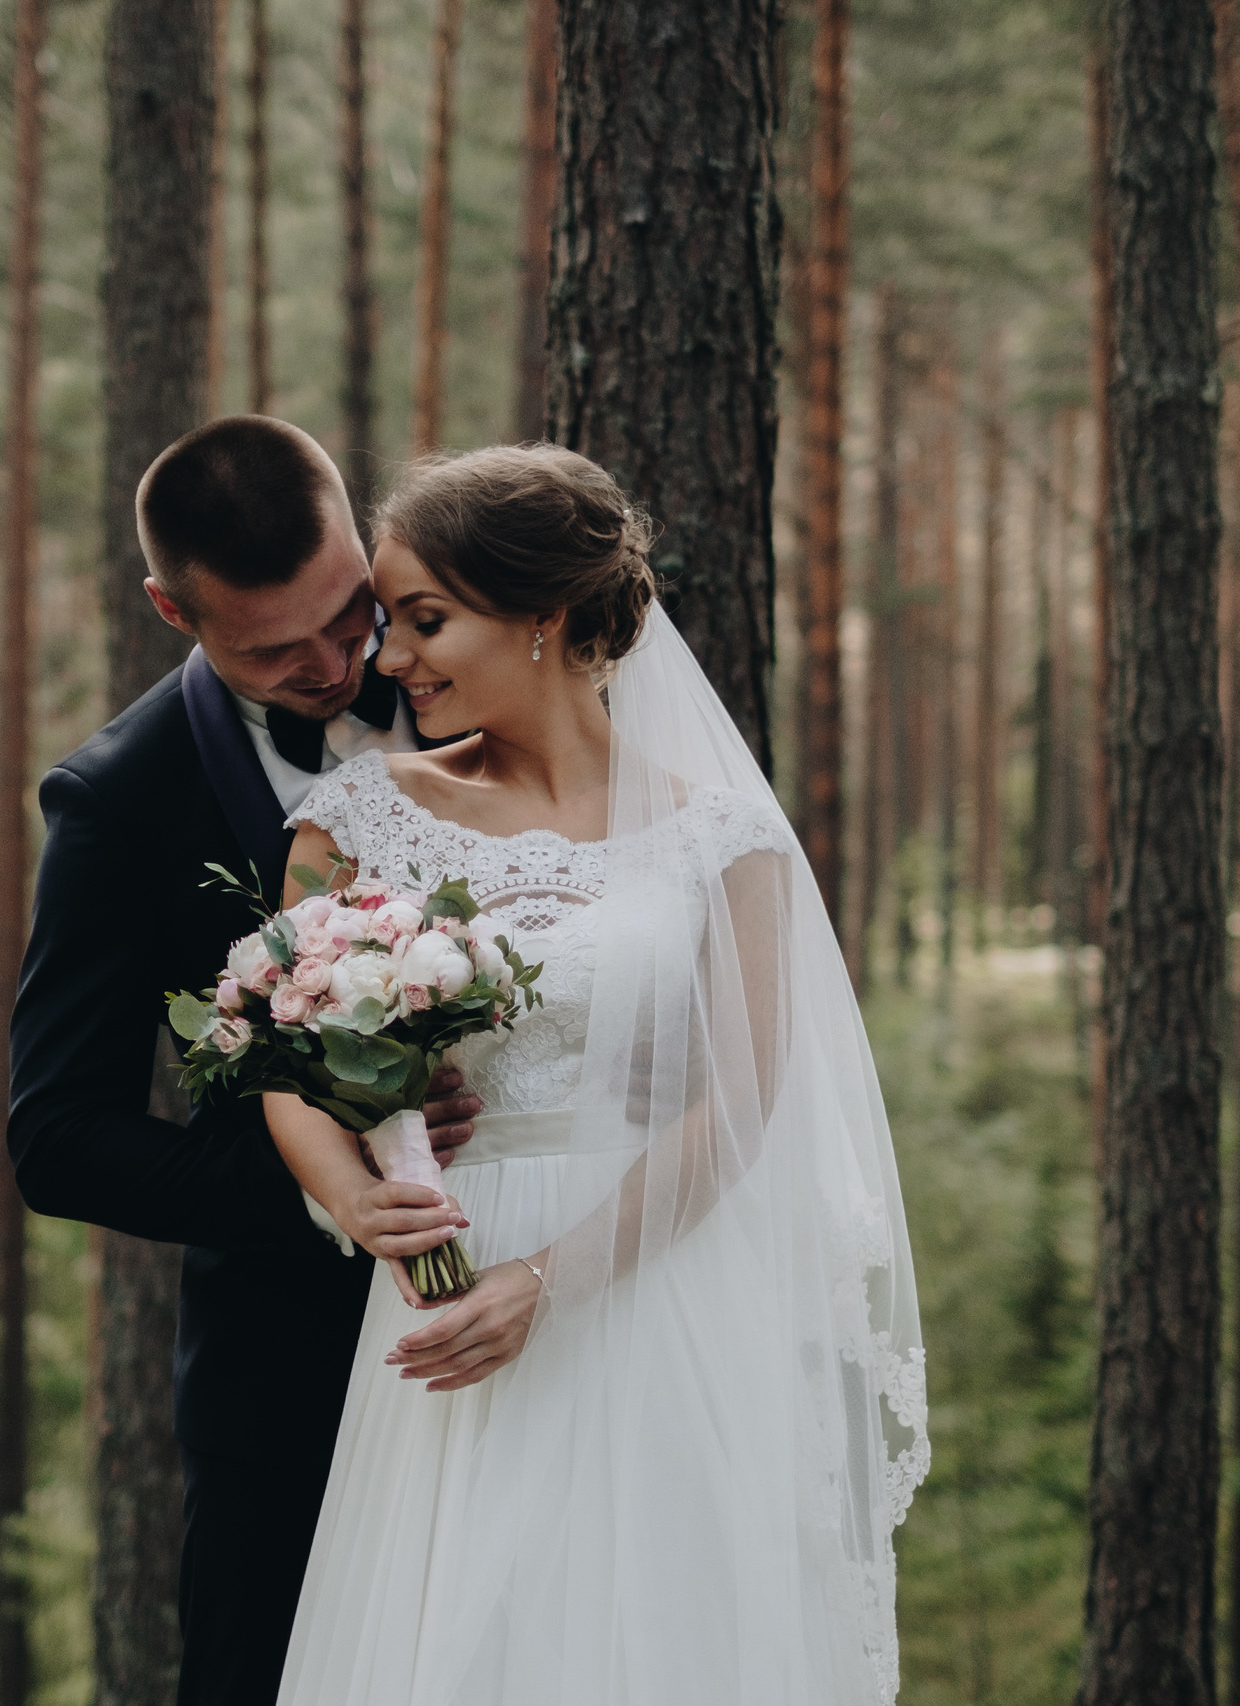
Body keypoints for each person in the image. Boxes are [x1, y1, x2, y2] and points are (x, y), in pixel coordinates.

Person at [265, 445, 930, 1705]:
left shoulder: (720, 835)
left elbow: (740, 1103)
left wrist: (546, 1282)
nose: (390, 659)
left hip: (651, 1279)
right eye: (390, 624)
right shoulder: (358, 813)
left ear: (544, 616)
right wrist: (357, 1201)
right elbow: (280, 1052)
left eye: (424, 619)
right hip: (445, 1281)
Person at [7, 415, 479, 1706]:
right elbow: (56, 1136)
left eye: (350, 617)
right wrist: (328, 1188)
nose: (336, 664)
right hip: (290, 1378)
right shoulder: (119, 802)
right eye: (276, 649)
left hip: (548, 1314)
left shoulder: (501, 678)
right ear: (173, 610)